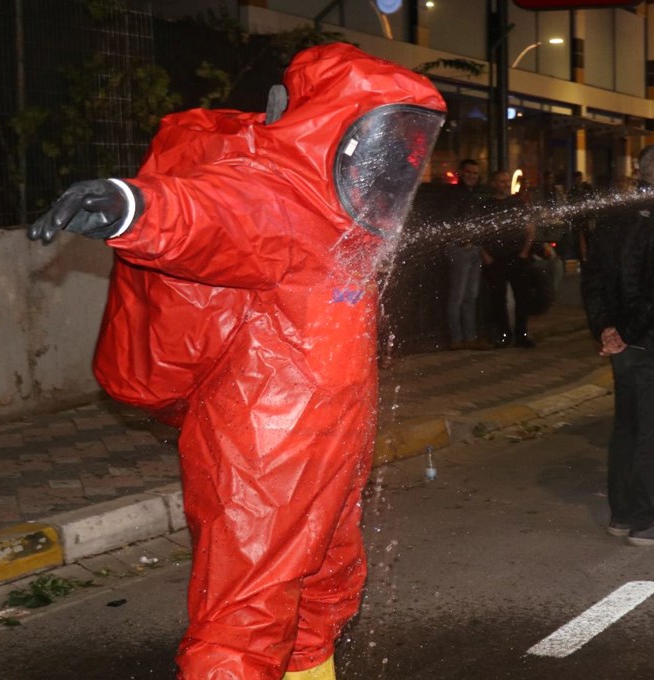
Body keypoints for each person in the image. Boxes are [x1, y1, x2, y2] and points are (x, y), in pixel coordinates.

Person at [27, 44, 445, 679]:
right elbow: (213, 215)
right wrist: (131, 207)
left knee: (324, 588)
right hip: (263, 449)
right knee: (244, 619)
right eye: (390, 140)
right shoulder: (287, 199)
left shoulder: (344, 218)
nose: (398, 164)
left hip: (326, 442)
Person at [581, 143, 654, 546]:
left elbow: (593, 278)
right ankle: (647, 521)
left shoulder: (612, 217)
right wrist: (627, 332)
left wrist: (607, 329)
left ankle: (622, 514)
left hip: (624, 347)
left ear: (639, 171)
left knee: (627, 431)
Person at [482, 169, 538, 348]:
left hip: (516, 256)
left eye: (507, 181)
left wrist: (524, 252)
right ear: (493, 183)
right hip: (495, 258)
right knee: (497, 298)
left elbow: (530, 228)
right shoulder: (487, 206)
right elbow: (480, 232)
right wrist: (486, 256)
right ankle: (504, 334)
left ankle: (521, 335)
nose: (505, 185)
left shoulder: (517, 204)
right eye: (501, 181)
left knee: (522, 296)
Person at [445, 159, 489, 350]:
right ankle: (457, 338)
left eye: (475, 173)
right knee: (458, 296)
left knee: (470, 295)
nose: (472, 176)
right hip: (461, 248)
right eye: (469, 172)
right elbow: (448, 220)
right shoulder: (454, 194)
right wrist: (463, 240)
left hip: (472, 248)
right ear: (461, 173)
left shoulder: (473, 195)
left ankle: (468, 337)